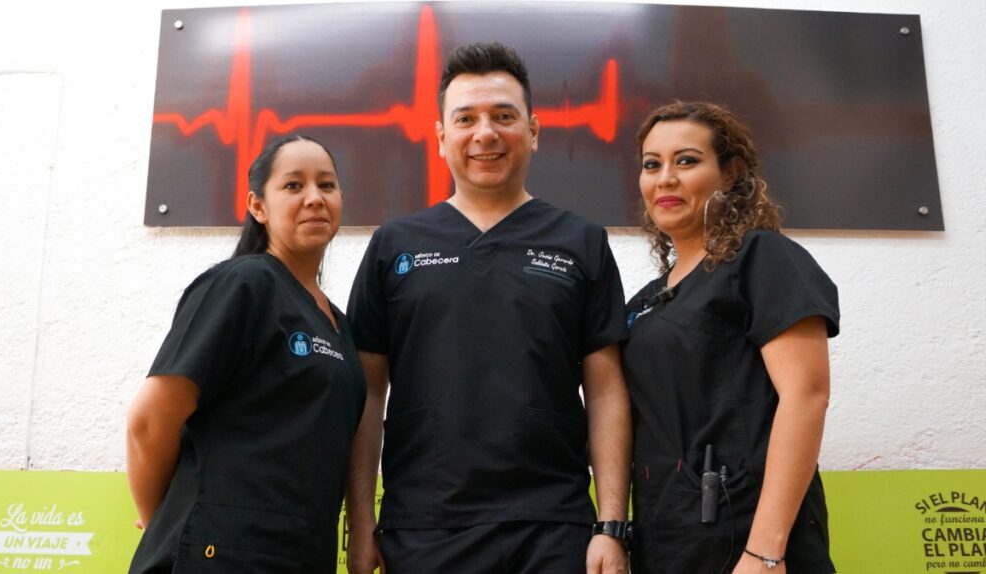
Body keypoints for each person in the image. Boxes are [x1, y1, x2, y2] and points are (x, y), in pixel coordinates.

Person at [346, 43, 632, 574]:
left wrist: (611, 525)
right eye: (466, 119)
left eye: (504, 116)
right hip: (423, 529)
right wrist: (361, 524)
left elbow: (606, 390)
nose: (485, 134)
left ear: (533, 131)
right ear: (440, 137)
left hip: (553, 528)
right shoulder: (394, 245)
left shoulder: (581, 242)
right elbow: (364, 393)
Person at [126, 135, 366, 573]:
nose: (314, 197)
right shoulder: (243, 285)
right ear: (258, 206)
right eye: (293, 185)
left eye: (327, 185)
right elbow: (149, 422)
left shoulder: (340, 324)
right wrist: (166, 524)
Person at [623, 101, 838, 574]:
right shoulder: (645, 301)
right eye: (652, 165)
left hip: (747, 540)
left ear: (732, 172)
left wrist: (766, 552)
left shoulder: (763, 258)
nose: (665, 179)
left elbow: (806, 395)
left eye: (686, 161)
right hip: (667, 540)